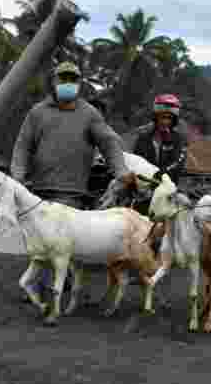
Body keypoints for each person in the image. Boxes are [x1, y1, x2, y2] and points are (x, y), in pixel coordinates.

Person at [10, 60, 131, 300]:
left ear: (79, 83)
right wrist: (17, 177)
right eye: (62, 79)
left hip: (71, 192)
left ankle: (51, 286)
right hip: (38, 190)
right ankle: (41, 284)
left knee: (61, 241)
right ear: (54, 82)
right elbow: (22, 147)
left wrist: (121, 171)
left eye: (72, 80)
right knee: (38, 241)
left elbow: (109, 143)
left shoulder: (89, 114)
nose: (67, 83)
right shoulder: (37, 113)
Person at [124, 93, 189, 216]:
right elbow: (136, 161)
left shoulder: (179, 140)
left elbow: (178, 163)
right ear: (156, 117)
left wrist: (160, 174)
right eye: (162, 117)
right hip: (142, 193)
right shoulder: (143, 138)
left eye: (169, 118)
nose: (165, 121)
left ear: (174, 120)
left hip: (166, 193)